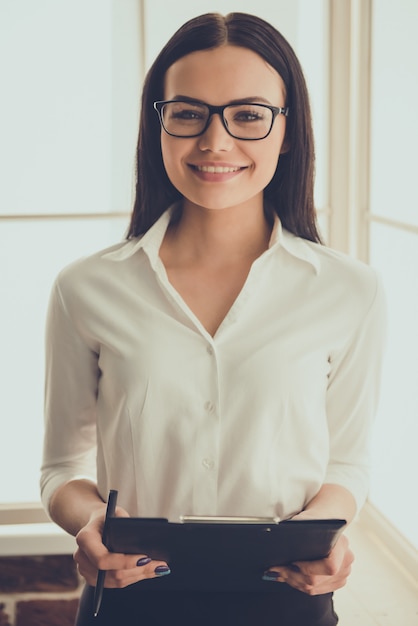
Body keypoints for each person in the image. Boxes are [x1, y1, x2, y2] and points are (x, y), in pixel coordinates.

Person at [41, 12, 386, 626]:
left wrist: (321, 532)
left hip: (288, 598)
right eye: (188, 112)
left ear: (287, 131)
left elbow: (347, 464)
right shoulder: (86, 287)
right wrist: (91, 521)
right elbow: (62, 469)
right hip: (128, 599)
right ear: (159, 126)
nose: (215, 141)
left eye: (248, 115)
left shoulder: (349, 290)